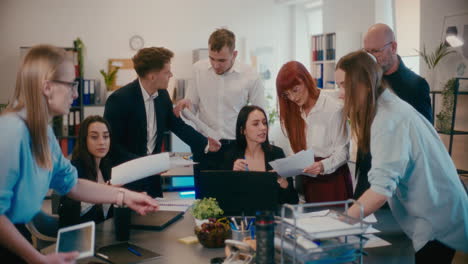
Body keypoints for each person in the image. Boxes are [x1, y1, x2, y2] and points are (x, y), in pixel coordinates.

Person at [0, 45, 159, 263]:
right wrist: (37, 259)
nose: (75, 93)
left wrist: (124, 197)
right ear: (47, 87)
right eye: (71, 85)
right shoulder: (11, 132)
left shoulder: (43, 133)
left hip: (17, 240)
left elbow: (72, 184)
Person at [337, 50, 468, 263]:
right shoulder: (385, 108)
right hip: (435, 211)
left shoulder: (388, 118)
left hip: (438, 217)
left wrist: (338, 226)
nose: (340, 93)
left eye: (343, 85)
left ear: (364, 84)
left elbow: (380, 189)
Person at [104, 47, 220, 198]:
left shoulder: (163, 95)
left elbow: (177, 125)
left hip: (152, 179)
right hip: (127, 179)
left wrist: (204, 143)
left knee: (155, 218)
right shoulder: (119, 100)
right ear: (152, 76)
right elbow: (113, 146)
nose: (171, 75)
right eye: (167, 72)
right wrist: (145, 164)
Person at [173, 29, 265, 195]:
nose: (216, 65)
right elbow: (192, 107)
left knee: (235, 197)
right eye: (212, 58)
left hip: (236, 146)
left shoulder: (250, 75)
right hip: (205, 145)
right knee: (205, 200)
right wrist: (186, 105)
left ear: (234, 54)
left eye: (222, 60)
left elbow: (261, 115)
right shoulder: (198, 69)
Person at [352, 23, 433, 199]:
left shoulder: (416, 85)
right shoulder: (366, 82)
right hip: (366, 171)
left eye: (376, 51)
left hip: (397, 178)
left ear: (393, 47)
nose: (370, 58)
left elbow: (423, 137)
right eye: (367, 52)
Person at [276, 61, 352, 203]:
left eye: (295, 90)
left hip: (332, 180)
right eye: (287, 94)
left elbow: (343, 152)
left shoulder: (333, 108)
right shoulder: (293, 112)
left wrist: (323, 165)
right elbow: (296, 152)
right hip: (307, 181)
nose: (293, 98)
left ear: (306, 80)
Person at [221, 105, 298, 205]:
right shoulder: (231, 156)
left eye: (264, 123)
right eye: (256, 124)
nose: (263, 128)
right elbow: (223, 200)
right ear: (242, 130)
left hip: (271, 218)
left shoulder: (277, 154)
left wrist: (283, 183)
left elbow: (293, 200)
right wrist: (233, 176)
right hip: (243, 218)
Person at [58, 115, 114, 227]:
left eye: (106, 136)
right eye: (94, 137)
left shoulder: (107, 167)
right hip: (80, 237)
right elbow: (67, 213)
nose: (102, 142)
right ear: (84, 140)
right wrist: (102, 194)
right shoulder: (74, 169)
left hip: (104, 234)